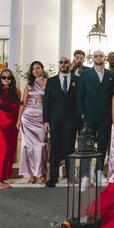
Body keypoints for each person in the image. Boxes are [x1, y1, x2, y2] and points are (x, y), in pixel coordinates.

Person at [43, 56, 80, 188]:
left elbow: (79, 101)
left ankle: (71, 176)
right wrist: (45, 120)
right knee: (54, 148)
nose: (63, 64)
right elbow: (46, 101)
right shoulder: (51, 81)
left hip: (71, 120)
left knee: (70, 148)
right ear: (58, 65)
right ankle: (53, 177)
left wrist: (79, 118)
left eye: (66, 62)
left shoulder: (77, 80)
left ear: (70, 64)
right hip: (55, 120)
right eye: (61, 62)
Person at [76, 50, 114, 163]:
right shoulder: (85, 74)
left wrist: (111, 115)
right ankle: (86, 174)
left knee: (102, 145)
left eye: (101, 56)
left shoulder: (111, 75)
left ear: (105, 58)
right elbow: (79, 96)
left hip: (105, 116)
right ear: (92, 59)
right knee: (87, 146)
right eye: (96, 56)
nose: (98, 58)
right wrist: (82, 114)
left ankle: (98, 172)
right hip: (89, 115)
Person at [0, 68, 20, 189]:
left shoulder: (17, 91)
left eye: (9, 77)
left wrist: (18, 122)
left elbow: (17, 108)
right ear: (0, 79)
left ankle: (2, 177)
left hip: (11, 125)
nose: (6, 79)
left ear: (12, 80)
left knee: (9, 150)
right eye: (4, 77)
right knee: (2, 149)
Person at [17, 61, 48, 185]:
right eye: (33, 68)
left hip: (41, 117)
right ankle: (31, 174)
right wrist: (19, 119)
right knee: (28, 146)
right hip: (28, 117)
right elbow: (23, 102)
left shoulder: (49, 82)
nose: (35, 70)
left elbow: (53, 98)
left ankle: (42, 174)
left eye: (38, 68)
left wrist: (44, 99)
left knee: (41, 146)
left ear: (42, 69)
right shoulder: (29, 84)